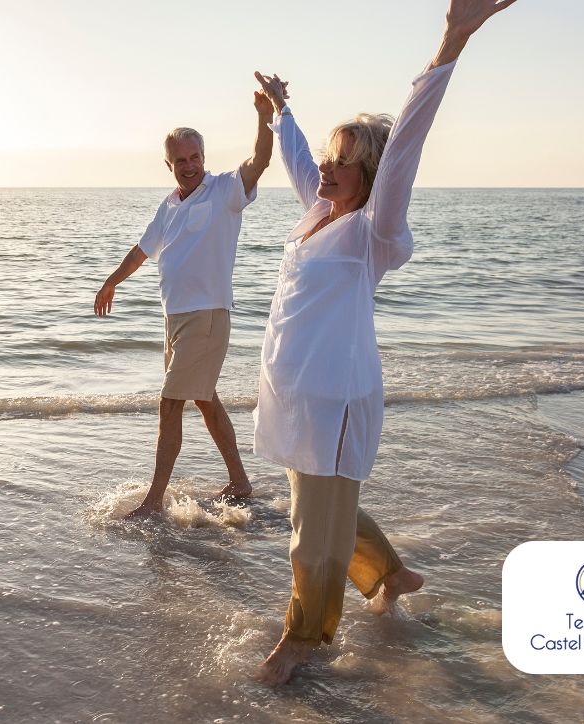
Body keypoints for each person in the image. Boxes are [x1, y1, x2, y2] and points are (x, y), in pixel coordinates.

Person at [250, 0, 518, 685]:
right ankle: (392, 576)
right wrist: (281, 111)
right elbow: (296, 159)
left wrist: (450, 42)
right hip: (295, 395)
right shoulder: (315, 214)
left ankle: (303, 640)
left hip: (335, 398)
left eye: (343, 162)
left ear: (369, 173)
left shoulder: (373, 231)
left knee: (313, 530)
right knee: (323, 505)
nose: (326, 170)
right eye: (328, 160)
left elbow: (404, 150)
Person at [94, 90, 275, 518]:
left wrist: (263, 117)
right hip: (175, 320)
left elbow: (259, 161)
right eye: (181, 161)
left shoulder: (225, 191)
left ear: (203, 157)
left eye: (196, 157)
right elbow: (141, 252)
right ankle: (241, 482)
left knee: (170, 401)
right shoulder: (169, 205)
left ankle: (154, 500)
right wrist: (110, 283)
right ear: (169, 165)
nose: (190, 166)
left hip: (208, 315)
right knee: (205, 400)